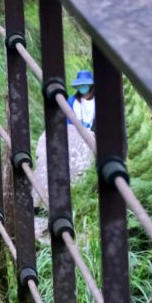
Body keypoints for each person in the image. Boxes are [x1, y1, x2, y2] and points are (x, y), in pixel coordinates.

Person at [33, 70, 97, 212]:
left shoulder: (97, 102)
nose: (83, 88)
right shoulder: (72, 101)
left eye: (85, 85)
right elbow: (66, 120)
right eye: (81, 85)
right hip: (73, 134)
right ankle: (41, 200)